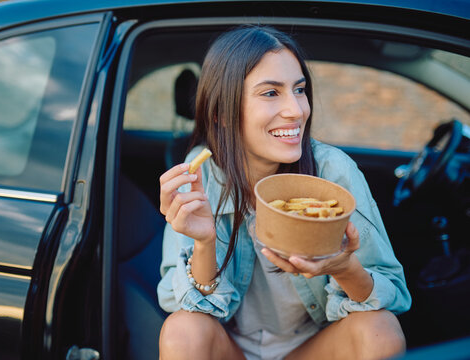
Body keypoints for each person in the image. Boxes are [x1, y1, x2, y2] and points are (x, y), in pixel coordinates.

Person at [157, 25, 411, 360]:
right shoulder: (199, 172)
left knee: (380, 330)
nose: (296, 110)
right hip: (230, 350)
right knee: (182, 331)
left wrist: (344, 267)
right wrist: (204, 243)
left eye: (300, 89)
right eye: (271, 93)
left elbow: (391, 291)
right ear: (220, 113)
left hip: (313, 349)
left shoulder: (333, 171)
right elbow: (186, 306)